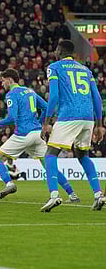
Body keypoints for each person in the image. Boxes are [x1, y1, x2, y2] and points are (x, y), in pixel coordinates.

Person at [0, 68, 79, 202]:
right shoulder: (30, 91)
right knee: (49, 166)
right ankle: (72, 194)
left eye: (3, 81)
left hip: (23, 134)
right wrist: (41, 122)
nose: (2, 84)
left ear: (9, 79)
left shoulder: (12, 94)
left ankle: (9, 183)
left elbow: (12, 118)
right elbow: (48, 107)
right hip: (37, 134)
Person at [40, 39, 104, 212]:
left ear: (60, 51)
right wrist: (100, 124)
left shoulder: (55, 67)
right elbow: (97, 97)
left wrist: (46, 122)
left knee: (50, 154)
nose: (54, 52)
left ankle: (54, 195)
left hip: (69, 115)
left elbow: (53, 96)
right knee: (83, 155)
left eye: (55, 49)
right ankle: (98, 194)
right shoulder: (86, 69)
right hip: (88, 117)